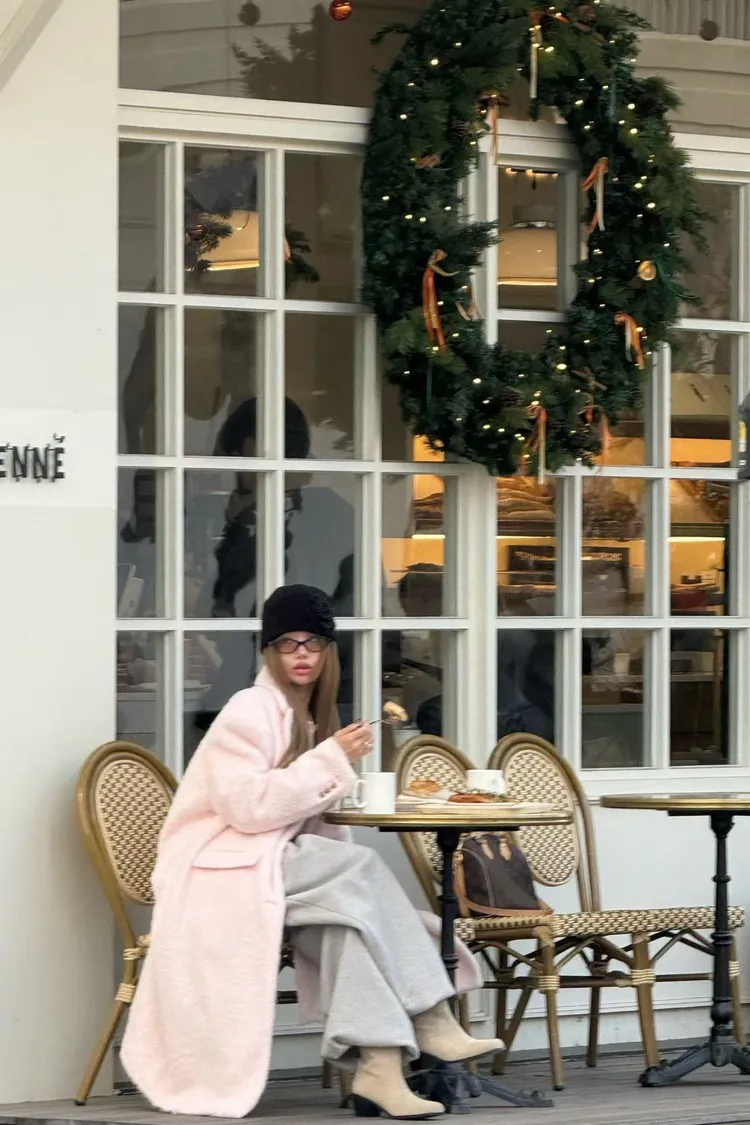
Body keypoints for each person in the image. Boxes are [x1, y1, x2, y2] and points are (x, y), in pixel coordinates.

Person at [120, 584, 500, 1120]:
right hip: (217, 865)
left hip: (272, 860)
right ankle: (431, 1015)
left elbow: (305, 817)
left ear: (328, 651)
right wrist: (330, 760)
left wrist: (330, 762)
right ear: (269, 651)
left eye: (313, 643)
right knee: (360, 867)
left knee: (346, 924)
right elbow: (248, 808)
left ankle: (380, 1069)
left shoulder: (306, 713)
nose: (301, 654)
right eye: (287, 644)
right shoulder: (249, 709)